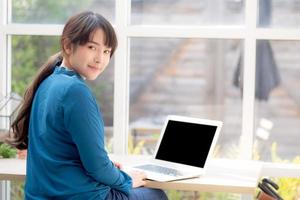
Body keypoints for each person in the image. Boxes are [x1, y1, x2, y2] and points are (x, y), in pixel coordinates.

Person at [8, 11, 168, 200]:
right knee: (155, 195)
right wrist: (126, 180)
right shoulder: (76, 91)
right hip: (79, 196)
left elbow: (69, 153)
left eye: (107, 51)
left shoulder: (48, 82)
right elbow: (97, 168)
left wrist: (107, 167)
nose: (100, 58)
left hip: (41, 195)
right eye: (92, 47)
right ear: (68, 45)